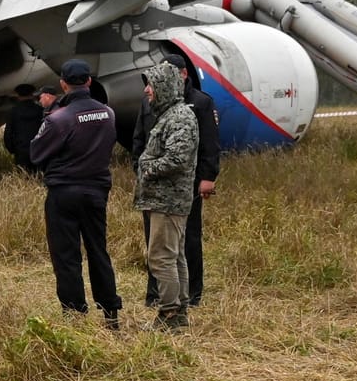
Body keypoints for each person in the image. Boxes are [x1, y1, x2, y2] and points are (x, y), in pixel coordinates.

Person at [28, 59, 123, 327]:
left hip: (64, 192)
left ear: (63, 84)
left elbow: (36, 152)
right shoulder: (108, 113)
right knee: (98, 251)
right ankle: (110, 313)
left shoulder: (59, 118)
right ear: (90, 81)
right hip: (96, 191)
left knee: (67, 255)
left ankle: (74, 315)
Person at [132, 55, 221, 306]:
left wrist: (208, 176)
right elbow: (140, 139)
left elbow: (195, 151)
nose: (146, 90)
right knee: (164, 250)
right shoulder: (155, 107)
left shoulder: (192, 108)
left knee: (174, 250)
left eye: (151, 84)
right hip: (157, 192)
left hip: (174, 193)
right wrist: (139, 166)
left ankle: (176, 306)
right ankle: (163, 296)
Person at [134, 63, 199, 330]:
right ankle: (179, 311)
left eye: (151, 84)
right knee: (174, 256)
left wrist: (146, 168)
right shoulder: (169, 115)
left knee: (160, 257)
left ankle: (170, 314)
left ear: (164, 86)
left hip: (168, 201)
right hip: (165, 200)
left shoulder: (179, 117)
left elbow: (177, 159)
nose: (147, 90)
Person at [2, 82, 45, 173]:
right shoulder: (40, 110)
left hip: (21, 151)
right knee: (38, 177)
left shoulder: (13, 112)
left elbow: (8, 133)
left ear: (18, 96)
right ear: (32, 95)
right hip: (38, 150)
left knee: (23, 176)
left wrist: (12, 150)